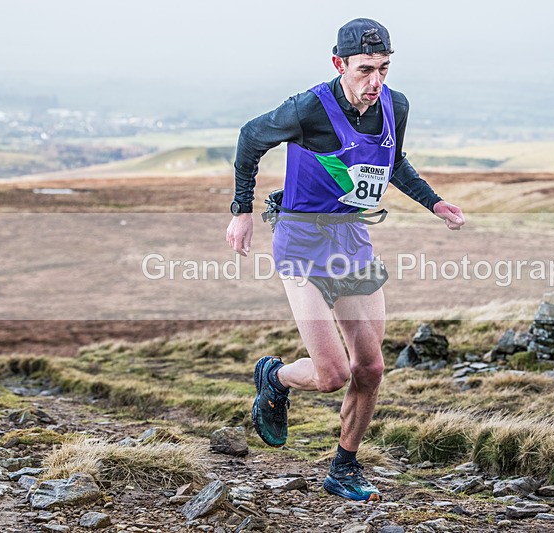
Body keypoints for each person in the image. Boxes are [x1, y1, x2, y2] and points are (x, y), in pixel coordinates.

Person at [226, 17, 465, 502]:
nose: (375, 82)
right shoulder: (310, 107)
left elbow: (393, 161)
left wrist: (434, 203)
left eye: (383, 69)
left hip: (353, 241)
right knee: (332, 375)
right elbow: (251, 137)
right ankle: (274, 376)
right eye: (364, 70)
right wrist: (241, 212)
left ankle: (344, 466)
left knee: (371, 368)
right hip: (302, 245)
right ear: (340, 64)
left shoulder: (395, 105)